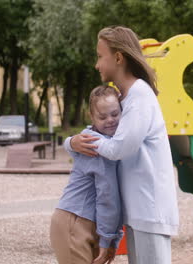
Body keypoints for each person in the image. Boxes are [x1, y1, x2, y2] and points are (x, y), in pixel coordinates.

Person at [66, 26, 179, 264]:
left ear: (118, 58)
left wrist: (83, 141)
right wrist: (72, 142)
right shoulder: (126, 98)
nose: (97, 65)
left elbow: (119, 148)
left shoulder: (140, 95)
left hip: (150, 210)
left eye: (100, 56)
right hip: (139, 210)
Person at [50, 85, 124, 264]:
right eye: (102, 116)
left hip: (86, 222)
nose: (110, 120)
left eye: (115, 114)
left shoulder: (113, 142)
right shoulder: (98, 146)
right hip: (75, 222)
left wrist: (112, 237)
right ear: (92, 117)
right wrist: (109, 238)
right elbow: (108, 196)